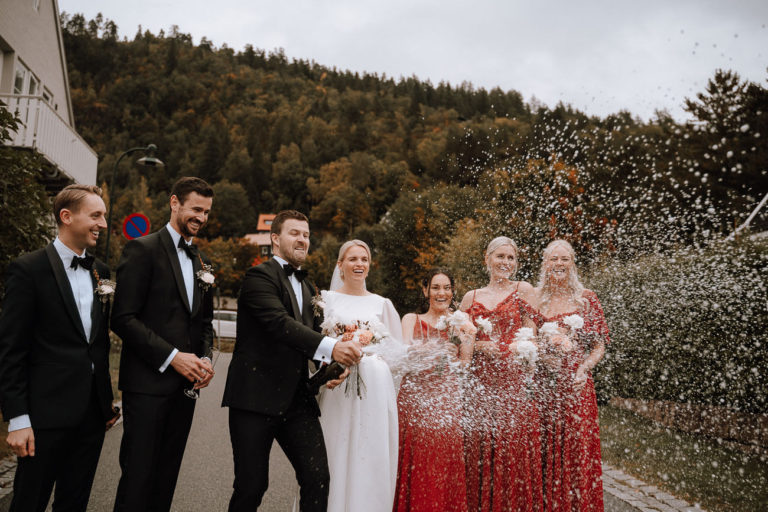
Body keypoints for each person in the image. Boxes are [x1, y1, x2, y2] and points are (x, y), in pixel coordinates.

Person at [222, 211, 362, 512]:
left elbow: (312, 338)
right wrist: (333, 347)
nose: (302, 239)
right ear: (275, 238)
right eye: (294, 233)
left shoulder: (310, 288)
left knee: (318, 478)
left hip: (297, 401)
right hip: (254, 400)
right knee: (251, 486)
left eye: (306, 235)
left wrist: (332, 368)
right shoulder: (259, 276)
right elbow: (279, 324)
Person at [0, 184, 119, 512]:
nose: (104, 224)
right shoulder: (28, 269)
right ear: (66, 217)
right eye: (96, 215)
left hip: (91, 417)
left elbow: (98, 342)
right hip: (44, 416)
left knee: (74, 503)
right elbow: (11, 350)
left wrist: (105, 401)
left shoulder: (102, 273)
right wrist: (17, 418)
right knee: (29, 503)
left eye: (104, 216)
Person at [111, 177, 216, 512]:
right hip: (146, 386)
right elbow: (123, 318)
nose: (202, 217)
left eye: (207, 212)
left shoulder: (201, 262)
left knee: (166, 477)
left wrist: (205, 359)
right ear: (174, 203)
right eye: (196, 209)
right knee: (138, 478)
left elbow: (204, 323)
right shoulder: (142, 249)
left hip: (185, 390)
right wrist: (172, 357)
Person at [315, 240, 404, 512]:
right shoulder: (325, 300)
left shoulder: (383, 304)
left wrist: (385, 386)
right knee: (335, 451)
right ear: (340, 266)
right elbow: (315, 347)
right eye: (352, 259)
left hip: (375, 392)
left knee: (370, 455)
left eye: (364, 259)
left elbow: (397, 357)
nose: (359, 264)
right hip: (337, 387)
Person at [459, 236, 544, 512]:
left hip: (512, 381)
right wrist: (480, 345)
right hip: (480, 382)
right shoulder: (471, 297)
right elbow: (457, 337)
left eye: (511, 258)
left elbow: (532, 333)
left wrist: (516, 349)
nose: (505, 262)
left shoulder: (524, 289)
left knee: (512, 449)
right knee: (480, 448)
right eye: (500, 256)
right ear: (487, 258)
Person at [533, 240, 608, 512]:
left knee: (577, 450)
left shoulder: (587, 299)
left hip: (577, 386)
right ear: (545, 264)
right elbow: (528, 342)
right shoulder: (536, 299)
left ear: (573, 263)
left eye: (565, 259)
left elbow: (598, 347)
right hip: (543, 386)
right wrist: (544, 352)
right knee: (544, 450)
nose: (559, 264)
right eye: (554, 259)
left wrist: (583, 368)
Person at [394, 268, 474, 512]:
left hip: (446, 403)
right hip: (414, 402)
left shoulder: (462, 324)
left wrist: (455, 357)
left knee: (441, 467)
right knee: (416, 464)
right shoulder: (410, 319)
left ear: (452, 291)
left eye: (447, 288)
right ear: (425, 290)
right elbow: (404, 356)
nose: (442, 293)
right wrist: (434, 350)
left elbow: (465, 366)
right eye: (436, 287)